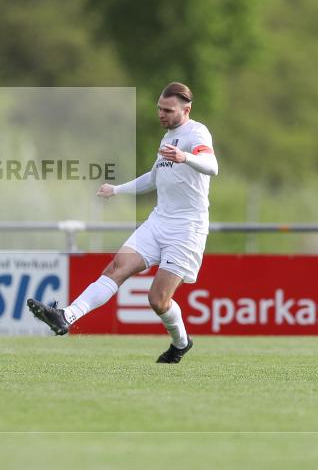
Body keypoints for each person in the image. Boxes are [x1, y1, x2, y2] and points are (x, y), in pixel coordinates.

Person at [27, 82, 218, 363]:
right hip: (158, 222)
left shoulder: (196, 133)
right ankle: (66, 316)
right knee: (117, 266)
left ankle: (181, 342)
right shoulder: (167, 139)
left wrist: (185, 157)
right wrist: (117, 190)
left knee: (158, 299)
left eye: (168, 110)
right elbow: (154, 177)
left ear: (186, 109)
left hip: (187, 229)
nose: (161, 114)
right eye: (159, 109)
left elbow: (213, 166)